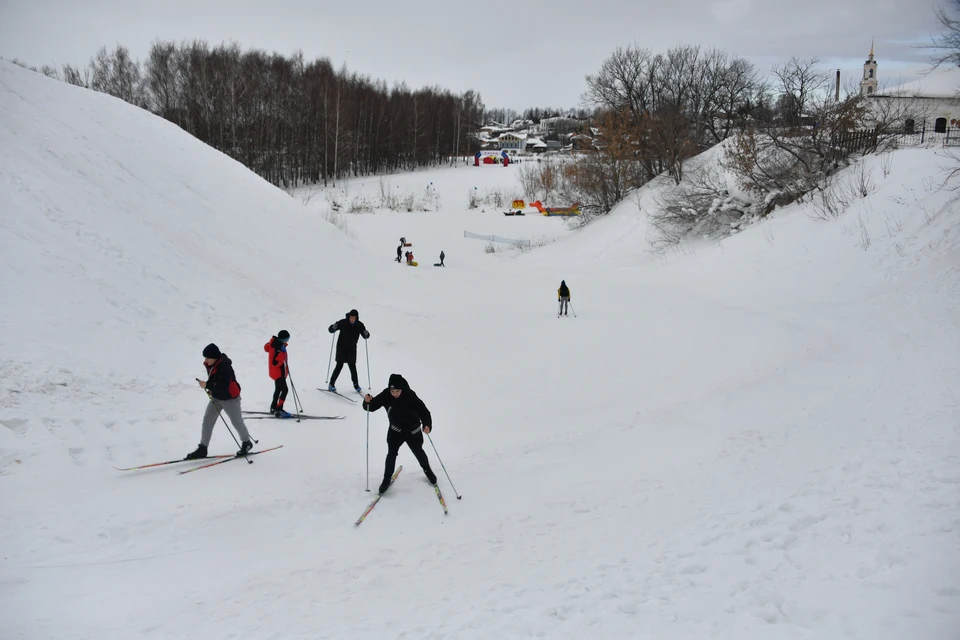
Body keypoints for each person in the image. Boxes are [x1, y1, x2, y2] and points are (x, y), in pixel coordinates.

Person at [363, 374, 437, 494]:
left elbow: (424, 412)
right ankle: (387, 479)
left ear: (402, 389)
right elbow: (371, 407)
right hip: (395, 431)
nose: (395, 393)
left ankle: (428, 470)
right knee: (391, 454)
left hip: (413, 431)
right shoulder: (386, 394)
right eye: (393, 391)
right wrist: (367, 402)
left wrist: (427, 425)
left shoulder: (410, 396)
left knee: (418, 451)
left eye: (397, 391)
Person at [186, 343, 253, 459]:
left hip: (230, 399)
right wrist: (209, 387)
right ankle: (203, 448)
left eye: (207, 358)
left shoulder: (225, 367)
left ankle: (247, 442)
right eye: (205, 358)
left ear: (214, 357)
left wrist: (207, 385)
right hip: (216, 397)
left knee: (236, 422)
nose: (205, 360)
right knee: (207, 420)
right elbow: (215, 380)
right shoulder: (212, 364)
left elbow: (223, 384)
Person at [328, 309, 370, 393]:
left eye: (354, 318)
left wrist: (366, 334)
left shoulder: (359, 325)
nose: (352, 319)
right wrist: (333, 327)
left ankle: (356, 385)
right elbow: (331, 330)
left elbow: (365, 336)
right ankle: (331, 384)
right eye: (351, 317)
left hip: (352, 349)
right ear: (349, 317)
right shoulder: (343, 322)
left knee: (352, 366)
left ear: (356, 318)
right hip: (341, 347)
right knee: (339, 365)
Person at [264, 330, 290, 417]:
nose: (288, 340)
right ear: (283, 339)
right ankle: (279, 409)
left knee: (278, 389)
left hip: (276, 373)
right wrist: (281, 355)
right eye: (287, 339)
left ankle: (273, 407)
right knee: (285, 390)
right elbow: (275, 363)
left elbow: (266, 347)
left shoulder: (275, 344)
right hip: (278, 373)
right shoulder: (277, 348)